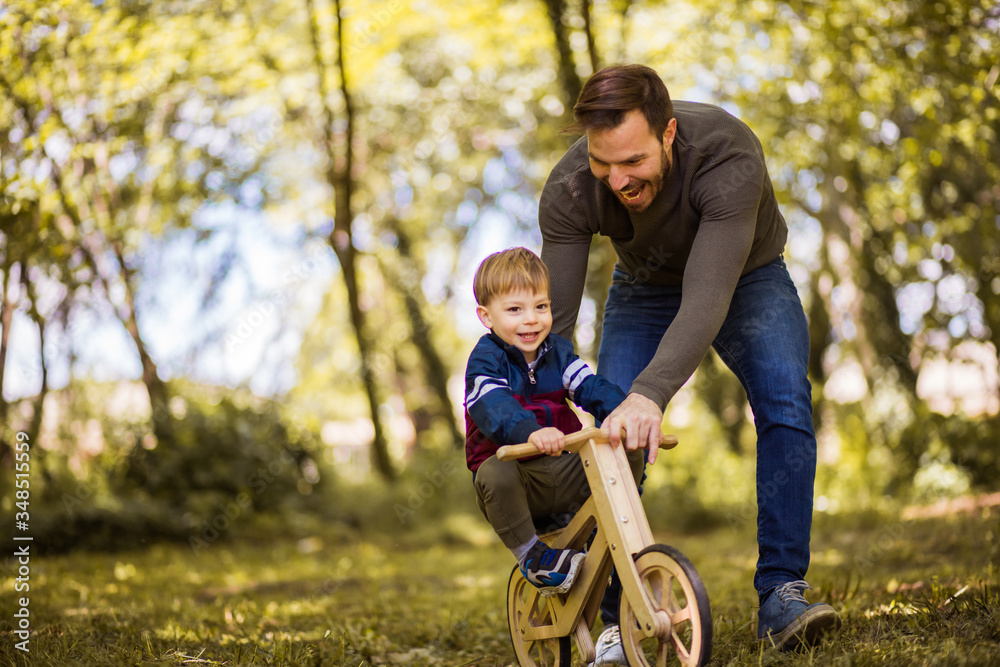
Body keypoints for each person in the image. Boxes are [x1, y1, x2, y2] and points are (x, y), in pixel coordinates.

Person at [538, 64, 841, 662]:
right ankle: (614, 619)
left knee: (785, 400)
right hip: (643, 286)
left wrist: (650, 392)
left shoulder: (729, 156)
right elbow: (556, 323)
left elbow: (707, 296)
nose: (617, 179)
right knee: (611, 436)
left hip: (748, 275)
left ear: (669, 133)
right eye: (603, 162)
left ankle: (782, 596)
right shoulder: (573, 185)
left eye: (634, 162)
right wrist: (537, 402)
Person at [464, 247, 644, 597]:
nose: (531, 319)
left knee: (621, 444)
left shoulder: (557, 353)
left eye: (540, 307)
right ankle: (532, 556)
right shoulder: (486, 360)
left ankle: (609, 524)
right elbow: (492, 406)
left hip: (563, 467)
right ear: (487, 317)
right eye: (515, 309)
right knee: (492, 471)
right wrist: (530, 432)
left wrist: (624, 412)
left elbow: (590, 387)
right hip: (522, 481)